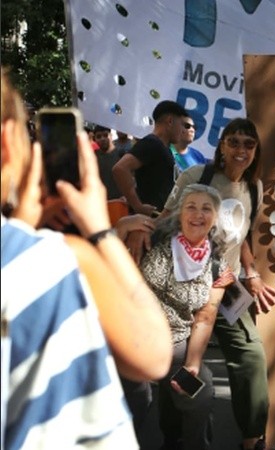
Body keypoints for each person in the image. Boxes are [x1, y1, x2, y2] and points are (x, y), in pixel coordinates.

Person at [1, 68, 171, 448]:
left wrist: (22, 225)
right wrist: (99, 230)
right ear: (8, 145)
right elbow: (153, 355)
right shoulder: (57, 259)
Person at [126, 118, 275, 450]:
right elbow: (168, 217)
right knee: (179, 367)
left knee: (250, 355)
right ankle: (176, 439)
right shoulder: (198, 176)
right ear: (222, 145)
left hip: (226, 286)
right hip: (183, 284)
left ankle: (253, 439)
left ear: (256, 150)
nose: (240, 150)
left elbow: (244, 236)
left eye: (248, 144)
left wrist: (250, 273)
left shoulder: (254, 188)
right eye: (233, 142)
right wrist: (136, 226)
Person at [134, 183, 232, 449]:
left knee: (198, 393)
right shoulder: (150, 239)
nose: (198, 214)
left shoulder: (218, 266)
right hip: (133, 340)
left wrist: (193, 364)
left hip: (175, 346)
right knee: (134, 405)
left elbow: (206, 317)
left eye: (206, 209)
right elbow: (112, 238)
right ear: (179, 214)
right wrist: (126, 226)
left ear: (214, 219)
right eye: (191, 206)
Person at [112, 100, 189, 217]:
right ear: (170, 121)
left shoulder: (165, 148)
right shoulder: (152, 143)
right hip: (149, 221)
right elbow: (120, 169)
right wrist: (137, 206)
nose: (183, 130)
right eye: (182, 124)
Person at [94, 124, 123, 199]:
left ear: (111, 136)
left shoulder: (122, 154)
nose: (102, 139)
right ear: (95, 139)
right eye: (99, 136)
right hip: (100, 201)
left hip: (119, 201)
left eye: (105, 135)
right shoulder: (92, 156)